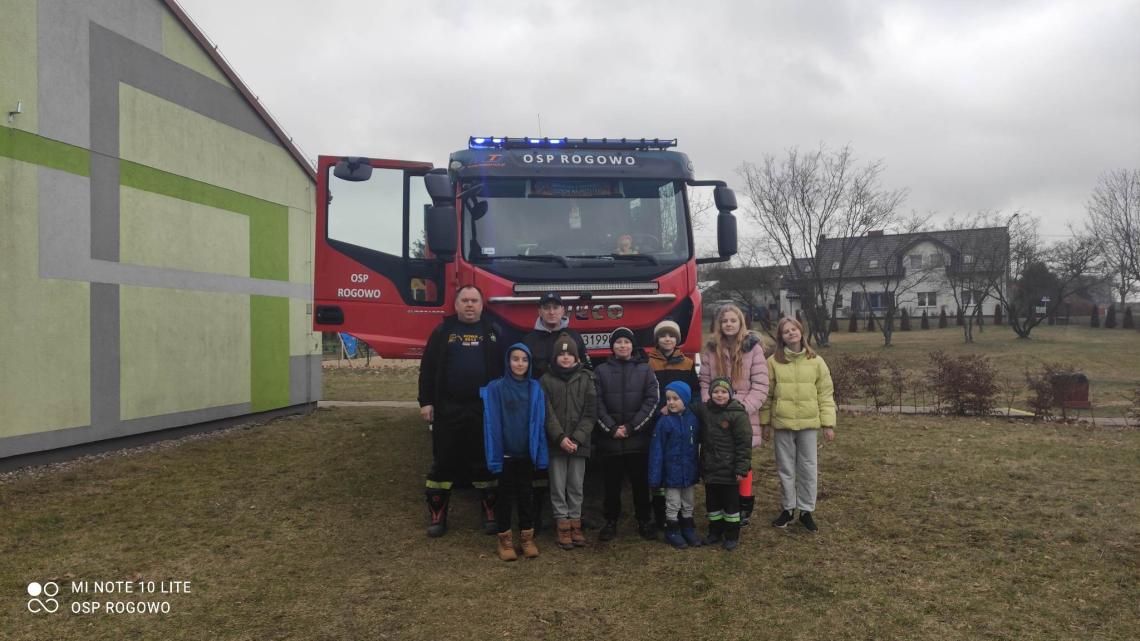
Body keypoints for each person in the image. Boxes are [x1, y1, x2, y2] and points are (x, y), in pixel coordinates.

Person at [417, 285, 503, 538]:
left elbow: (503, 371)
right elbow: (428, 369)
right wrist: (426, 402)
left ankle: (489, 513)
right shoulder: (443, 331)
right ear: (455, 305)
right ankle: (437, 516)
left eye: (474, 300)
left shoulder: (493, 332)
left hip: (483, 409)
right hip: (448, 408)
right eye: (464, 300)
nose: (469, 305)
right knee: (443, 463)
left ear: (481, 304)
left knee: (484, 463)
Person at [760, 317, 836, 534]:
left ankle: (805, 510)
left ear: (801, 332)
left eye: (794, 329)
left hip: (808, 424)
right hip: (782, 424)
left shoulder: (816, 361)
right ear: (781, 337)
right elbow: (767, 395)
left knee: (808, 467)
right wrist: (765, 423)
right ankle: (788, 508)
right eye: (786, 331)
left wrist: (828, 423)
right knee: (785, 468)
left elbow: (825, 393)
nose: (791, 333)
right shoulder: (773, 362)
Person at [522, 291, 589, 533]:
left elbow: (585, 369)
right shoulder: (529, 340)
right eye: (546, 307)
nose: (552, 312)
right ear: (539, 311)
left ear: (563, 311)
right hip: (540, 413)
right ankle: (538, 515)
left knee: (571, 474)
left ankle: (574, 517)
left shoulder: (574, 337)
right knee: (542, 466)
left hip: (571, 414)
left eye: (556, 307)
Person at [699, 303, 769, 526]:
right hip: (716, 413)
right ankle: (724, 505)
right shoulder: (711, 349)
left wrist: (741, 410)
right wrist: (713, 408)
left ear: (741, 323)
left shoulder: (753, 348)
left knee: (742, 459)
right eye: (724, 321)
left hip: (744, 413)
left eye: (733, 320)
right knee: (721, 459)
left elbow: (760, 385)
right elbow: (705, 382)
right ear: (719, 325)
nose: (729, 324)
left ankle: (744, 506)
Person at [482, 343, 549, 560]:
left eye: (524, 359)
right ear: (507, 361)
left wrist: (539, 452)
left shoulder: (535, 387)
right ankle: (505, 540)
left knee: (526, 495)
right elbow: (491, 423)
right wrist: (495, 455)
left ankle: (527, 538)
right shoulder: (496, 387)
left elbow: (539, 422)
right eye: (515, 359)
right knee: (505, 496)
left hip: (526, 453)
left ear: (529, 363)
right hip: (506, 453)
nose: (519, 363)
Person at [594, 327, 659, 541]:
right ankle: (610, 521)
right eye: (618, 342)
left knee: (640, 484)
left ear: (633, 345)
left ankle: (644, 520)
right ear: (612, 346)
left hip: (637, 440)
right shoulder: (600, 371)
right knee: (611, 485)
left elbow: (652, 400)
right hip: (610, 440)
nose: (623, 345)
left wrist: (632, 427)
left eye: (627, 342)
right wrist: (612, 428)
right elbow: (596, 403)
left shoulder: (645, 369)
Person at [540, 335, 597, 550]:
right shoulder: (545, 380)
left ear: (576, 357)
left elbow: (591, 413)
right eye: (561, 354)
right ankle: (562, 525)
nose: (565, 358)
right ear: (555, 358)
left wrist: (577, 438)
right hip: (556, 444)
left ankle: (575, 523)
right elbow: (547, 413)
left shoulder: (587, 378)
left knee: (575, 485)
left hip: (579, 444)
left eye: (569, 354)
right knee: (557, 485)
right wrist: (561, 438)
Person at [645, 319, 699, 535]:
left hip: (681, 422)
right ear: (657, 340)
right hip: (659, 419)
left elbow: (694, 393)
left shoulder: (686, 363)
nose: (667, 339)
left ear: (676, 339)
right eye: (662, 336)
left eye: (671, 336)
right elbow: (647, 392)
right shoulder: (649, 363)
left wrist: (687, 410)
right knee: (660, 463)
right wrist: (661, 409)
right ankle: (661, 513)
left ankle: (682, 517)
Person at [697, 377, 752, 551]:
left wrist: (741, 468)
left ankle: (731, 535)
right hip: (710, 468)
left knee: (731, 505)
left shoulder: (738, 414)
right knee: (712, 503)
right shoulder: (705, 410)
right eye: (715, 392)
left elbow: (744, 444)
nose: (719, 395)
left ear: (730, 394)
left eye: (723, 392)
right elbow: (689, 408)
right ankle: (714, 531)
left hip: (729, 470)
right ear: (710, 394)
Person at [648, 382, 702, 549]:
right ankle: (672, 529)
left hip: (689, 471)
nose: (671, 402)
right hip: (671, 473)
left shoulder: (693, 420)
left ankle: (687, 527)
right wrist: (655, 476)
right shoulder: (664, 423)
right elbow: (657, 451)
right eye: (668, 399)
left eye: (675, 398)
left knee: (688, 501)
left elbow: (698, 445)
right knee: (673, 502)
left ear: (684, 399)